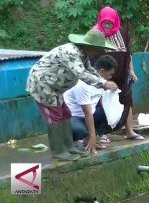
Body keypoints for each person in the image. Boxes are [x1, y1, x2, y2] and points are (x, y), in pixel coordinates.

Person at [26, 29, 118, 161]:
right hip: (43, 85)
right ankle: (58, 151)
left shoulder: (83, 54)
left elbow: (89, 70)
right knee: (55, 117)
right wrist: (103, 83)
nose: (98, 53)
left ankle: (69, 147)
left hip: (55, 88)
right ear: (90, 46)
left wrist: (101, 80)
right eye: (98, 49)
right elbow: (81, 74)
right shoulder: (71, 53)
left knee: (65, 114)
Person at [93, 6, 144, 140]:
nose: (108, 25)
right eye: (105, 23)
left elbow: (128, 53)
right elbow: (92, 59)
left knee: (126, 100)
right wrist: (102, 79)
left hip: (121, 74)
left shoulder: (121, 32)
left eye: (110, 22)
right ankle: (103, 134)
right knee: (103, 102)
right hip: (104, 75)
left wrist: (131, 70)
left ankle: (129, 131)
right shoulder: (95, 34)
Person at [64, 55, 118, 153]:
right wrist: (93, 137)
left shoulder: (102, 83)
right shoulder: (82, 84)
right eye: (110, 74)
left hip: (88, 114)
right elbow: (87, 112)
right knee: (79, 130)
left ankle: (86, 141)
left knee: (106, 114)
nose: (110, 78)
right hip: (73, 116)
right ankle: (72, 142)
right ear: (102, 71)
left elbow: (101, 104)